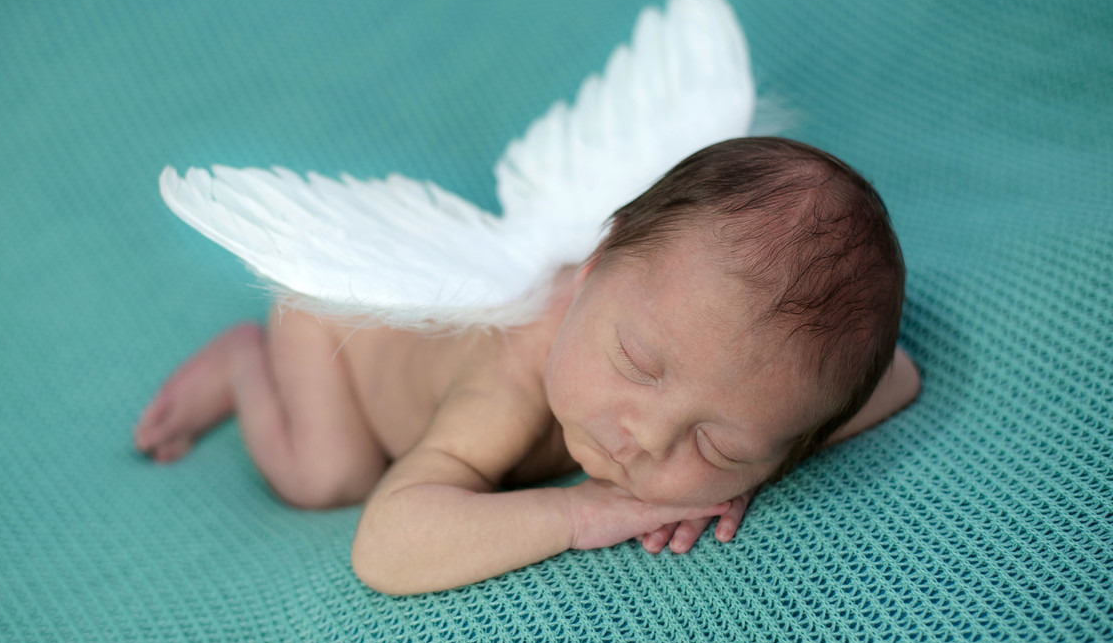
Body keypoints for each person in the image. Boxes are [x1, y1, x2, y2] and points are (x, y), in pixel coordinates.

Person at [134, 137, 920, 595]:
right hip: (334, 328)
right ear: (591, 270)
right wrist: (580, 515)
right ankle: (244, 364)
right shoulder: (509, 384)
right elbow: (385, 545)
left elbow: (896, 376)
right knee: (328, 477)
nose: (646, 438)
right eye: (638, 363)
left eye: (715, 442)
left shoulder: (677, 329)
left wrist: (752, 468)